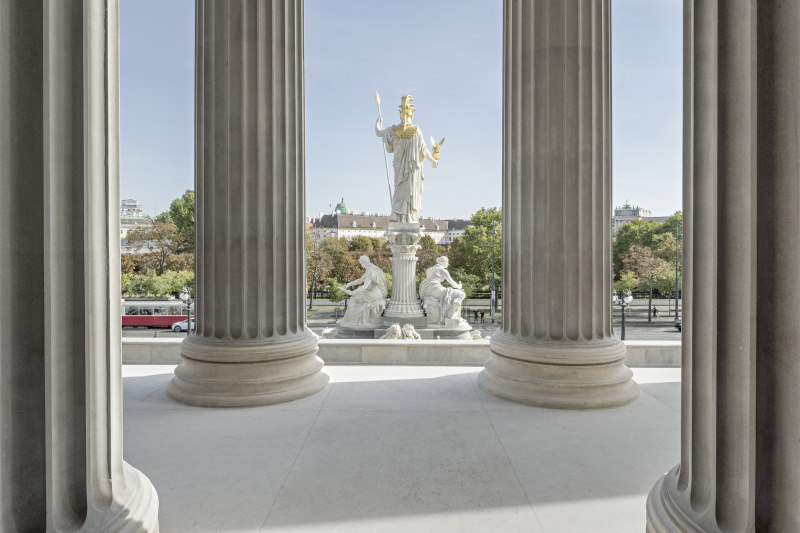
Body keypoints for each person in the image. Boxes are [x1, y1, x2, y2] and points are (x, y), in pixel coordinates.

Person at [375, 95, 441, 223]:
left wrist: (377, 123)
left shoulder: (396, 131)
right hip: (409, 169)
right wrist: (433, 161)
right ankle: (405, 216)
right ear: (411, 114)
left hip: (405, 169)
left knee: (401, 189)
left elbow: (379, 132)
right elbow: (424, 150)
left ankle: (400, 215)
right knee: (408, 190)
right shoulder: (415, 131)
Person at [338, 256, 389, 327]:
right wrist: (348, 284)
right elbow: (360, 280)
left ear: (363, 263)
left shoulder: (371, 271)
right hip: (377, 292)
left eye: (361, 263)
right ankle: (349, 319)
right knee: (357, 296)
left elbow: (365, 286)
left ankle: (347, 319)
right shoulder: (372, 268)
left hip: (376, 294)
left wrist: (352, 292)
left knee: (354, 299)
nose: (361, 265)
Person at [419, 256, 467, 325]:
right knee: (462, 294)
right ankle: (450, 315)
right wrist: (459, 286)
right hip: (436, 290)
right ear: (443, 262)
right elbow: (453, 283)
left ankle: (450, 314)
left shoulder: (429, 270)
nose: (448, 264)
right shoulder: (442, 270)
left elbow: (432, 279)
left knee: (449, 293)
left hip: (428, 290)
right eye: (447, 262)